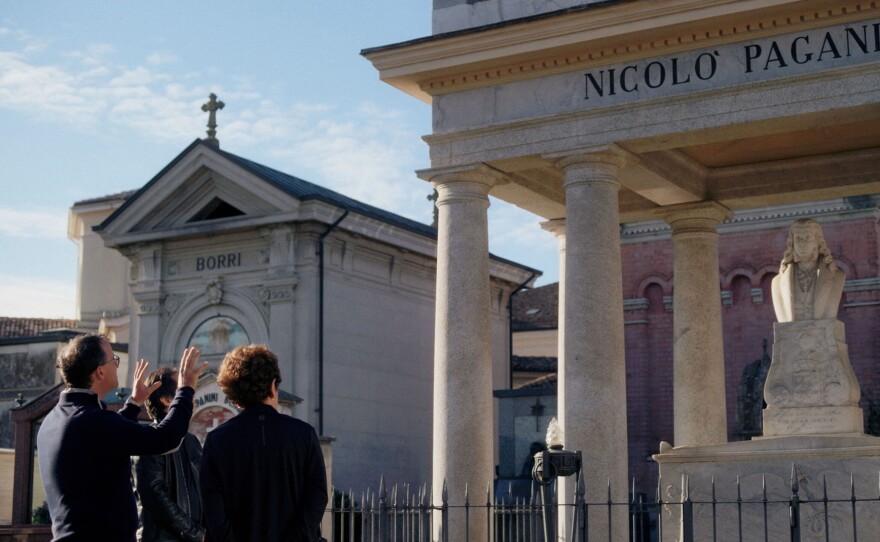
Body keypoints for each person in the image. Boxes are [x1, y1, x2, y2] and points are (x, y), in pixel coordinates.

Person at [37, 334, 207, 542]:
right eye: (113, 360)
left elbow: (107, 438)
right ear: (99, 371)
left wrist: (134, 403)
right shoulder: (93, 421)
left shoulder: (56, 419)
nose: (117, 365)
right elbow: (165, 438)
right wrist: (186, 389)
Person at [200, 344, 328, 542]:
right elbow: (317, 497)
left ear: (234, 393)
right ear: (272, 385)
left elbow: (213, 509)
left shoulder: (217, 440)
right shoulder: (304, 435)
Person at [133, 367, 205, 542]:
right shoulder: (147, 440)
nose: (192, 399)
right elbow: (155, 497)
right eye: (184, 392)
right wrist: (195, 533)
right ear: (166, 400)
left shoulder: (192, 441)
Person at [770, 218, 845, 322]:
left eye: (808, 238)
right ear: (792, 244)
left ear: (817, 242)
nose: (802, 244)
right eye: (798, 239)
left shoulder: (836, 277)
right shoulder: (777, 282)